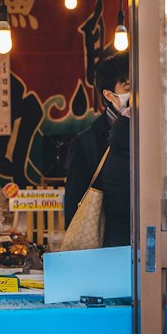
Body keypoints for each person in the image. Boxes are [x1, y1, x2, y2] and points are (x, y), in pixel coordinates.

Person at [64, 52, 131, 248]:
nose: (138, 92)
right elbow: (74, 208)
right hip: (107, 246)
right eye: (129, 87)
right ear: (109, 95)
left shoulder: (155, 133)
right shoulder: (87, 142)